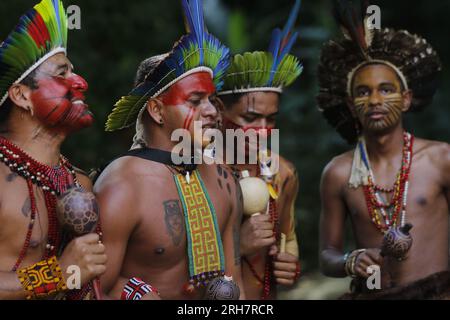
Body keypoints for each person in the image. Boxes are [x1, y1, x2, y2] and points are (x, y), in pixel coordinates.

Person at [94, 0, 244, 300]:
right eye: (194, 101)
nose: (212, 112)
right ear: (157, 111)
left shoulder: (224, 179)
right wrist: (132, 294)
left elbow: (234, 283)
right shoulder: (121, 184)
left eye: (211, 100)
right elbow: (92, 291)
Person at [317, 0, 450, 299]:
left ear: (405, 99)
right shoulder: (338, 173)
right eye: (363, 92)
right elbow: (328, 255)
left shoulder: (440, 159)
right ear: (352, 106)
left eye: (386, 89)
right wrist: (351, 260)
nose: (375, 100)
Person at [0, 0, 106, 300]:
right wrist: (56, 275)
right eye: (62, 73)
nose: (81, 82)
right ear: (21, 95)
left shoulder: (79, 183)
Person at [216, 0, 302, 299]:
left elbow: (288, 237)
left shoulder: (283, 172)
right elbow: (167, 262)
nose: (264, 130)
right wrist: (238, 247)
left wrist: (289, 263)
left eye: (271, 119)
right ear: (218, 112)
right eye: (251, 118)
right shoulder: (195, 172)